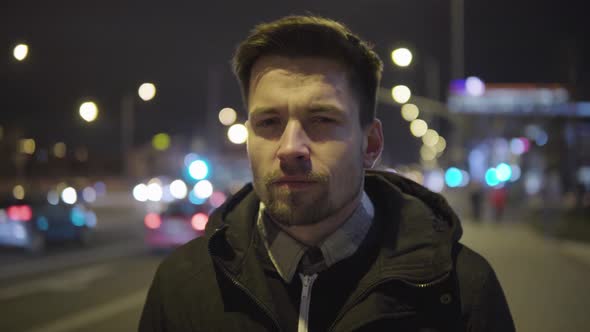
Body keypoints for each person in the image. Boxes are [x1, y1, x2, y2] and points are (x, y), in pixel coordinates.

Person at [139, 15, 515, 332]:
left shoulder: (460, 289)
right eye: (268, 122)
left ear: (370, 145)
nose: (289, 148)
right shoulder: (181, 287)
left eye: (321, 119)